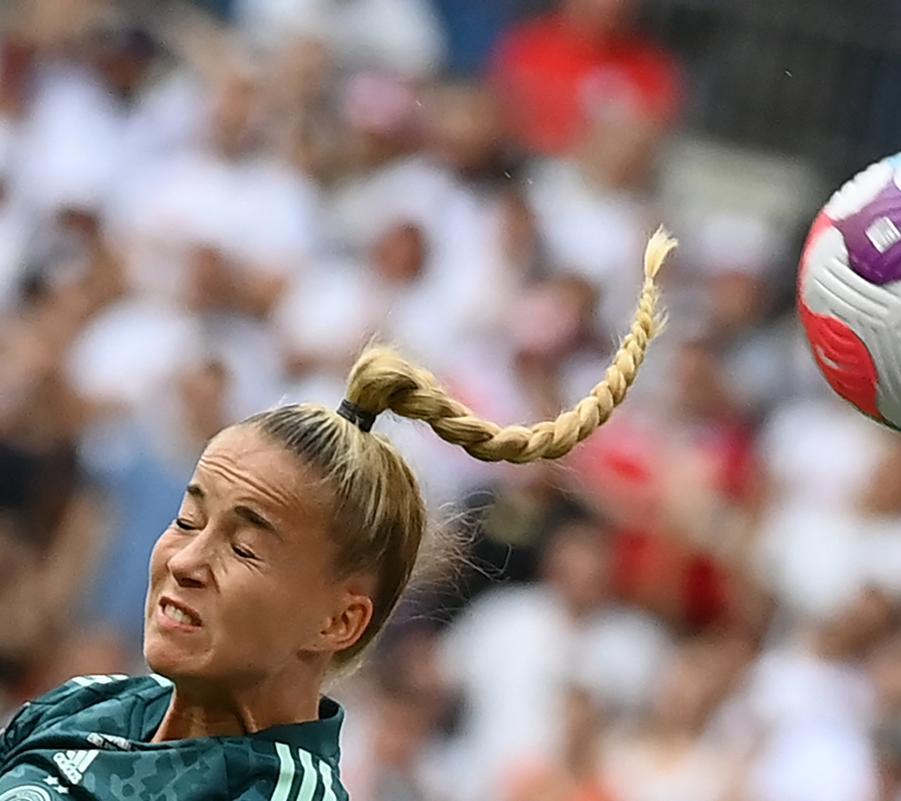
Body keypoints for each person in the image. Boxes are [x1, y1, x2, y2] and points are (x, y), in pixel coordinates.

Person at [0, 229, 675, 800]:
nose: (184, 559)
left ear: (339, 619)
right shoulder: (84, 701)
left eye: (243, 548)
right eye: (187, 518)